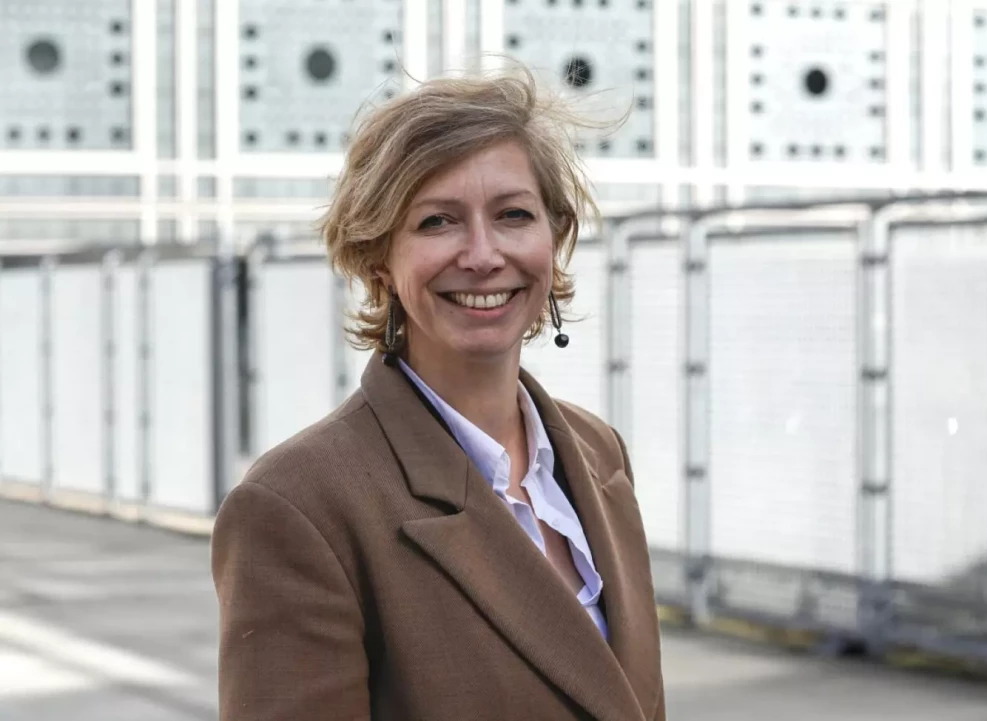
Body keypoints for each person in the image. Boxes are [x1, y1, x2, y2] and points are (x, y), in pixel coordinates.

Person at [211, 67, 666, 721]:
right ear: (378, 259)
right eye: (437, 221)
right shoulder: (297, 505)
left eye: (513, 215)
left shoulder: (598, 453)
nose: (482, 254)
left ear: (555, 237)